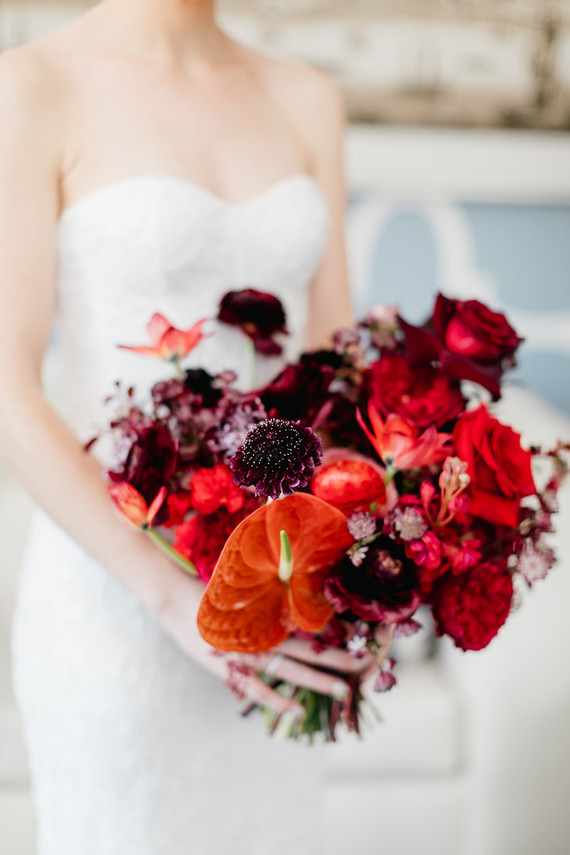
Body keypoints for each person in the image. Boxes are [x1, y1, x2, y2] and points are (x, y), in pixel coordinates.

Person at [0, 2, 389, 853]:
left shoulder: (306, 97)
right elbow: (5, 385)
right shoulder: (30, 85)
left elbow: (332, 372)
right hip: (115, 602)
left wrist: (371, 571)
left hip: (279, 595)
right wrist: (172, 596)